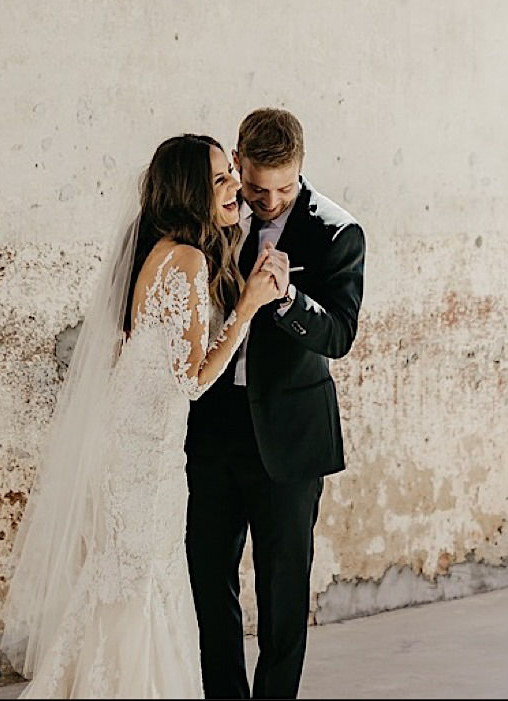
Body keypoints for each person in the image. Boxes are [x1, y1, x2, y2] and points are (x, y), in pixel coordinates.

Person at [1, 133, 287, 699]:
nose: (234, 187)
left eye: (231, 173)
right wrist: (249, 306)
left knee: (129, 581)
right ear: (189, 192)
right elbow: (192, 380)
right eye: (221, 180)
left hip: (133, 443)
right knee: (142, 582)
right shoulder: (182, 259)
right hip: (144, 456)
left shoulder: (153, 249)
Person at [186, 107, 365, 699]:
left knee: (283, 596)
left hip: (291, 436)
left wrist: (288, 300)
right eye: (257, 186)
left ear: (301, 169)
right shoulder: (214, 217)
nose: (268, 200)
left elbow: (339, 335)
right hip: (212, 429)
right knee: (209, 586)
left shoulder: (337, 232)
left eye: (284, 188)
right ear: (237, 163)